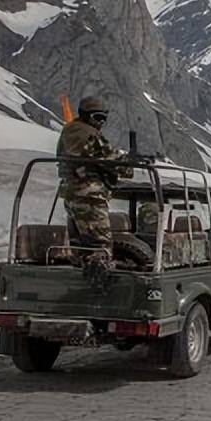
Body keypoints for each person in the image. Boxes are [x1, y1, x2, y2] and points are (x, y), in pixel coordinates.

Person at [56, 95, 132, 288]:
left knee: (80, 247)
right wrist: (129, 162)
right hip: (89, 196)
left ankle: (76, 288)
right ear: (85, 115)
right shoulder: (85, 134)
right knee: (100, 246)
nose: (101, 123)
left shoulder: (71, 131)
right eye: (97, 117)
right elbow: (109, 159)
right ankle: (99, 294)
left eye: (104, 118)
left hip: (74, 195)